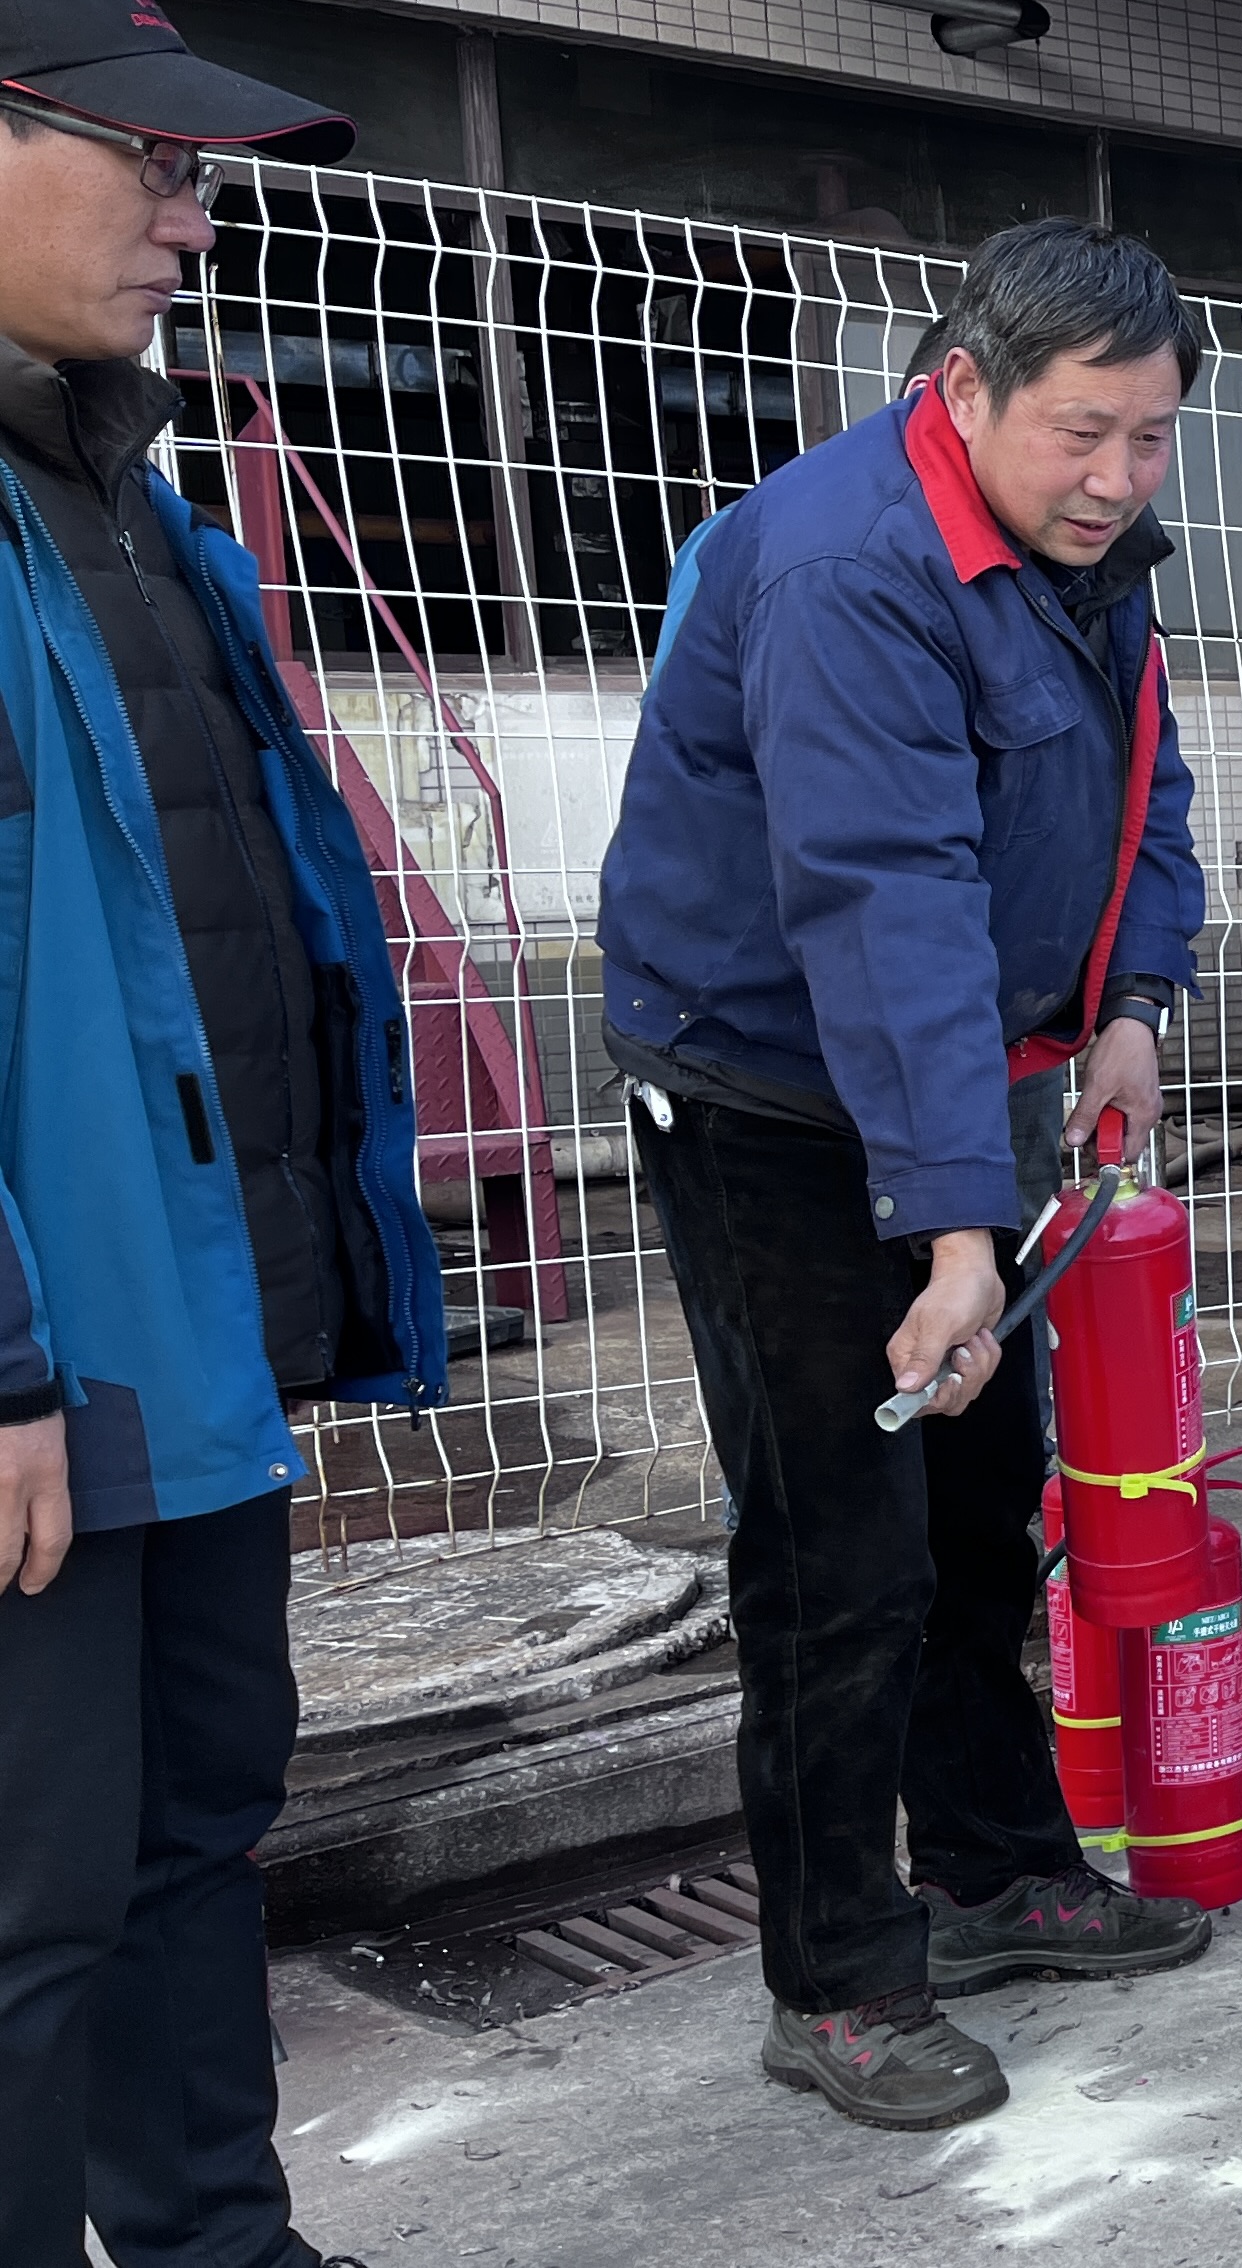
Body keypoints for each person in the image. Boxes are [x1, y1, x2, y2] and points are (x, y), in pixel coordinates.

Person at [596, 219, 1217, 2130]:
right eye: (1081, 432)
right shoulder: (849, 566)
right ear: (963, 391)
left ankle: (994, 1866)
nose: (1117, 477)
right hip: (774, 1102)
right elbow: (886, 907)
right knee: (837, 1551)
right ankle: (838, 1975)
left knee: (976, 1503)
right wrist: (956, 1233)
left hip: (963, 1076)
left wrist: (1131, 1000)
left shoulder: (1079, 560)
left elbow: (1140, 789)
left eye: (1150, 437)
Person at [0, 18, 446, 2261]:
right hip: (32, 1373)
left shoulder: (134, 504)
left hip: (184, 1337)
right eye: (151, 166)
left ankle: (214, 2242)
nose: (193, 221)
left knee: (193, 1827)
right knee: (29, 1899)